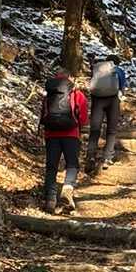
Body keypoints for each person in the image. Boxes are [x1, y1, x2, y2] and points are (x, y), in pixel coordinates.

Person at [39, 68, 89, 211]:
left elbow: (44, 113)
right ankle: (67, 187)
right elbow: (83, 117)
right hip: (71, 134)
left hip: (51, 134)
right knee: (72, 164)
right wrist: (80, 126)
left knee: (51, 167)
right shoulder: (76, 93)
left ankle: (50, 199)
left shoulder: (49, 93)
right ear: (70, 78)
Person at [84, 52, 127, 175]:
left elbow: (93, 84)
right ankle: (107, 157)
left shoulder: (98, 69)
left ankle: (90, 156)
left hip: (97, 101)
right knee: (111, 130)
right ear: (117, 63)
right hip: (113, 100)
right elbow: (122, 88)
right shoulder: (119, 71)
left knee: (95, 129)